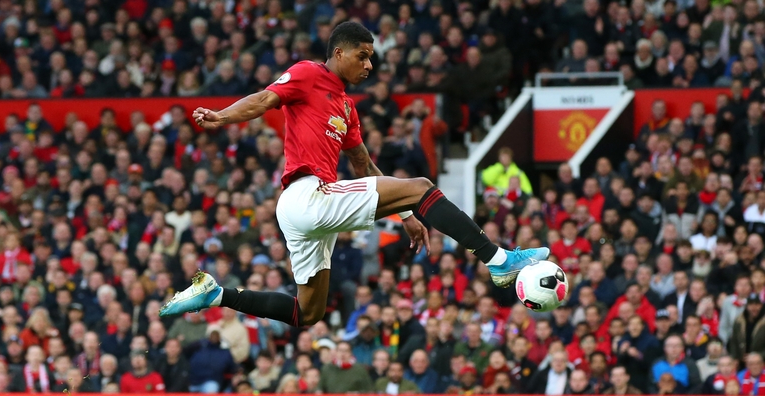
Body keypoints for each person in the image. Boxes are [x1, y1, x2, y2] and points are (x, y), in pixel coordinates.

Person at [159, 22, 549, 326]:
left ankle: (216, 295)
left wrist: (407, 214)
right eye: (362, 56)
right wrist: (221, 116)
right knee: (422, 186)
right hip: (307, 195)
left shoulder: (346, 108)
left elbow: (363, 166)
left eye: (371, 58)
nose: (369, 65)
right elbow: (264, 100)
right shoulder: (308, 74)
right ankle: (498, 259)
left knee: (307, 314)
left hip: (311, 216)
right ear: (339, 52)